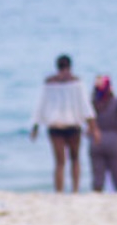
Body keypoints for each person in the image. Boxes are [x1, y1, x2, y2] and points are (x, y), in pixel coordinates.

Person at [30, 54, 100, 193]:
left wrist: (35, 126)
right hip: (73, 125)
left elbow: (40, 106)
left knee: (59, 162)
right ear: (70, 66)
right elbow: (85, 106)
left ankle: (59, 192)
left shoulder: (49, 83)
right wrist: (93, 127)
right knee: (75, 159)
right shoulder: (77, 82)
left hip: (55, 125)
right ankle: (75, 191)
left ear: (57, 66)